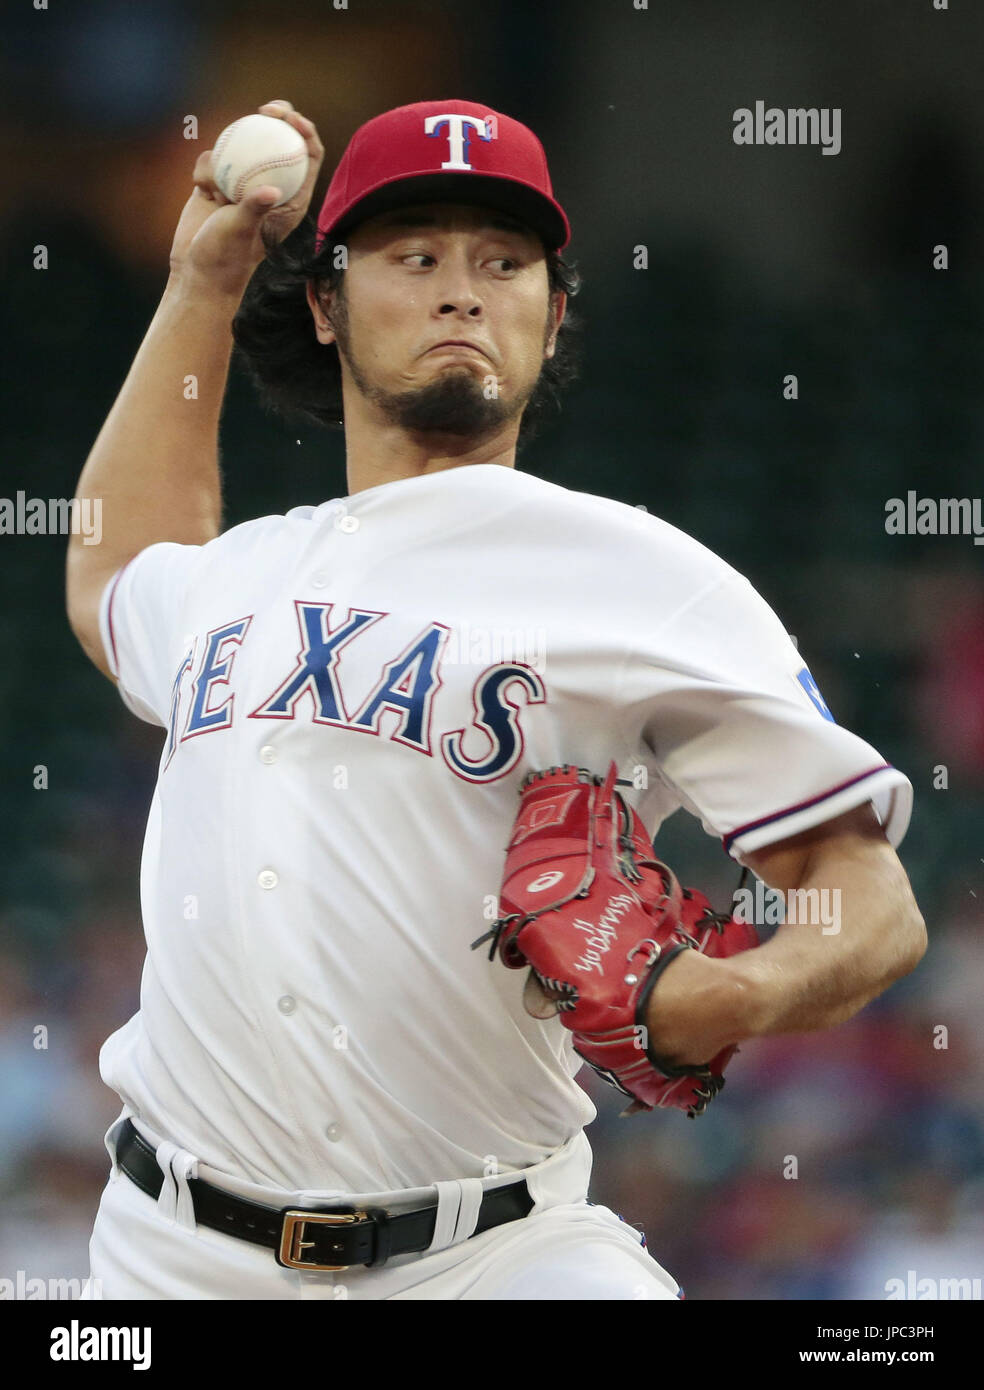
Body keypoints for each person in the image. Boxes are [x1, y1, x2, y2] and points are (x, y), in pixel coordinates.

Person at [67, 98, 926, 1300]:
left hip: (496, 1254)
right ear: (325, 302)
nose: (461, 291)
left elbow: (871, 902)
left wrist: (737, 991)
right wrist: (201, 284)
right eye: (415, 256)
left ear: (552, 310)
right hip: (171, 1258)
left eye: (503, 261)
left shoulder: (647, 580)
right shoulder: (239, 575)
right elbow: (111, 569)